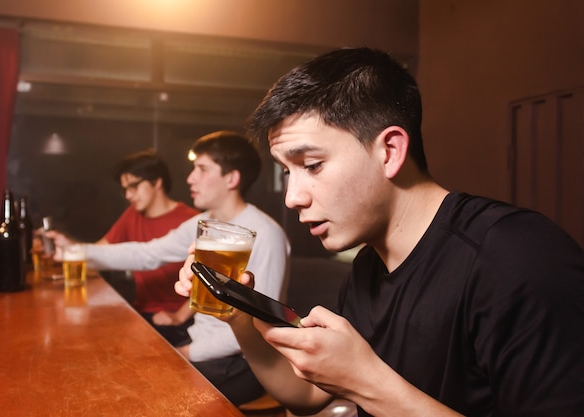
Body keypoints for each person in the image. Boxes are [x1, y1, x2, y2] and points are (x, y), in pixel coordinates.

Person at [175, 48, 584, 416]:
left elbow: (363, 385)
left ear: (389, 151)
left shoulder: (517, 256)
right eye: (287, 172)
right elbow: (306, 397)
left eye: (312, 165)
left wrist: (366, 381)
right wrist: (239, 320)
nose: (293, 198)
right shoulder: (369, 265)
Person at [54, 131, 290, 406]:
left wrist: (185, 352)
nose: (190, 178)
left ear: (232, 178)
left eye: (201, 169)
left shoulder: (265, 233)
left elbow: (258, 327)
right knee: (116, 358)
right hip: (200, 343)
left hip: (245, 362)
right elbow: (147, 253)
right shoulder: (205, 223)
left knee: (141, 386)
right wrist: (74, 251)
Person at [102, 149, 198, 346]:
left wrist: (179, 316)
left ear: (157, 182)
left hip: (177, 321)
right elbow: (101, 251)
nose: (128, 195)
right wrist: (67, 249)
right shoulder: (132, 215)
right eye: (125, 189)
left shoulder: (191, 220)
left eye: (134, 186)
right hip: (141, 314)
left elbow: (211, 281)